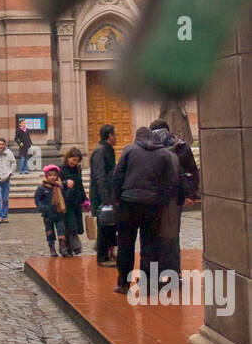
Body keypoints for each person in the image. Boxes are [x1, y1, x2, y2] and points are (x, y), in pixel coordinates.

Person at [112, 127, 179, 295]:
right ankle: (148, 283)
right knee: (150, 245)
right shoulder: (163, 153)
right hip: (153, 205)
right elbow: (172, 180)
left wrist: (118, 199)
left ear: (137, 137)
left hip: (129, 203)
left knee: (125, 244)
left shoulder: (129, 149)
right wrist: (162, 200)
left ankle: (124, 283)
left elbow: (117, 176)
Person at [149, 118, 200, 278]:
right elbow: (194, 171)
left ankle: (170, 271)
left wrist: (190, 193)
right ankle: (168, 271)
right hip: (164, 198)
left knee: (167, 235)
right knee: (166, 235)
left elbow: (191, 171)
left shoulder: (178, 147)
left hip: (168, 198)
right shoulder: (176, 146)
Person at [89, 124, 118, 267]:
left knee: (111, 226)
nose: (117, 137)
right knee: (104, 227)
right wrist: (105, 198)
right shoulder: (100, 151)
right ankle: (102, 256)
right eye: (115, 135)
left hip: (109, 195)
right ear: (109, 136)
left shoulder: (108, 150)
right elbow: (100, 176)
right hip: (102, 196)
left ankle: (107, 252)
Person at [59, 147, 90, 254]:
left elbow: (80, 184)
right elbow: (56, 184)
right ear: (68, 158)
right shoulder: (61, 169)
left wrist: (85, 199)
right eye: (73, 160)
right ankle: (76, 246)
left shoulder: (78, 169)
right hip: (66, 200)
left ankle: (68, 247)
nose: (75, 162)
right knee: (71, 224)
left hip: (76, 200)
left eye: (77, 160)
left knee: (76, 224)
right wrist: (65, 183)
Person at [34, 165, 71, 257]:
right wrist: (43, 208)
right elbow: (38, 200)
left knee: (61, 230)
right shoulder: (42, 188)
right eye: (50, 175)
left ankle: (62, 247)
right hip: (48, 214)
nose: (52, 177)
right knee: (49, 232)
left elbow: (65, 197)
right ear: (46, 176)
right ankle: (52, 248)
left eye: (54, 175)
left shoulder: (59, 187)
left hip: (59, 213)